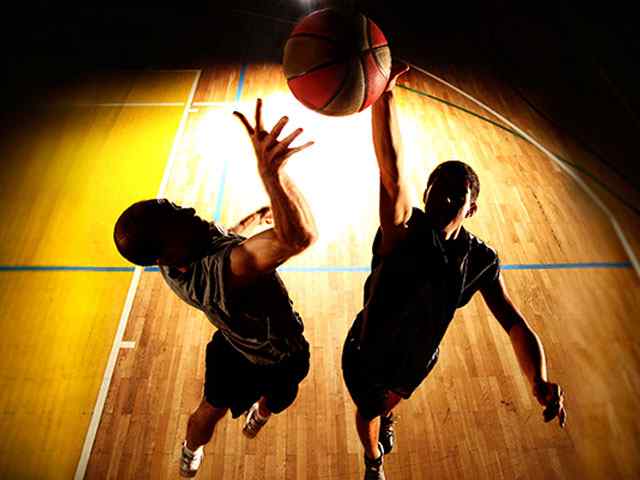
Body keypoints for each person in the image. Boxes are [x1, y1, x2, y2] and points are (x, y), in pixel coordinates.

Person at [341, 64, 568, 480]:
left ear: (472, 208)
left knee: (388, 402)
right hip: (368, 350)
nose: (444, 197)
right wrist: (384, 96)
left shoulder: (480, 260)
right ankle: (373, 462)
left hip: (418, 359)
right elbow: (391, 173)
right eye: (438, 189)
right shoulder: (401, 232)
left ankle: (388, 415)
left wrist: (538, 380)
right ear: (425, 193)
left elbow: (515, 324)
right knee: (367, 410)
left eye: (455, 194)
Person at [113, 98, 317, 478]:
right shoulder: (223, 272)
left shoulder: (178, 262)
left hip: (232, 346)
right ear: (167, 249)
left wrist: (254, 219)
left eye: (174, 206)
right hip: (279, 353)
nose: (187, 211)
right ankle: (205, 443)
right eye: (174, 217)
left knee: (221, 407)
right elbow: (299, 238)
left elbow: (228, 242)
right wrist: (273, 175)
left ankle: (203, 443)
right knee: (251, 401)